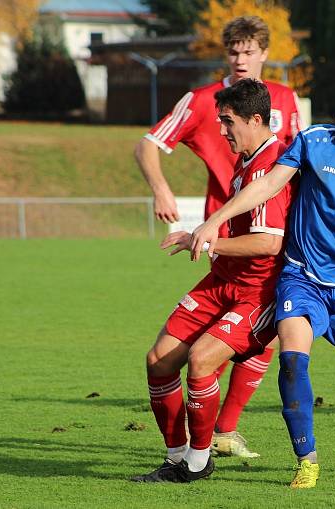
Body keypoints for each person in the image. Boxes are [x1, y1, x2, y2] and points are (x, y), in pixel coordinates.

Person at [189, 62, 335, 489]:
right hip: (303, 278)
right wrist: (214, 221)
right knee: (293, 362)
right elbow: (266, 186)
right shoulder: (314, 141)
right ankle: (307, 460)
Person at [134, 15, 302, 457]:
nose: (241, 59)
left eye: (249, 51)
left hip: (259, 254)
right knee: (175, 356)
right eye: (234, 51)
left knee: (215, 353)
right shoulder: (204, 100)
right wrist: (162, 189)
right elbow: (148, 143)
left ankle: (213, 440)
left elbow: (295, 173)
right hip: (220, 241)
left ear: (265, 53)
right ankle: (189, 450)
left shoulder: (285, 107)